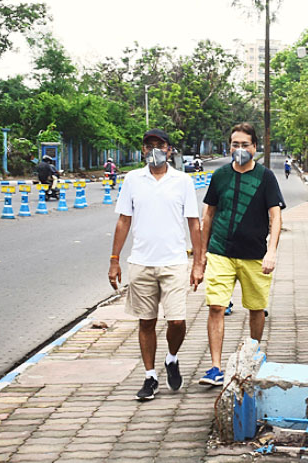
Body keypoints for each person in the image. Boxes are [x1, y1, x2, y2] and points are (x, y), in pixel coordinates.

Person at [109, 128, 203, 401]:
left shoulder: (183, 181)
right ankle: (150, 377)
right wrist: (114, 260)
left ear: (169, 149)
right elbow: (124, 220)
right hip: (141, 262)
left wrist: (198, 262)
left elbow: (193, 223)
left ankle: (171, 358)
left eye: (159, 145)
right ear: (143, 151)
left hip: (173, 262)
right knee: (146, 322)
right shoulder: (132, 180)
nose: (154, 150)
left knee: (177, 321)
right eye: (148, 146)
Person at [195, 123, 285, 386]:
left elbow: (275, 216)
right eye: (235, 144)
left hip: (254, 255)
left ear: (255, 148)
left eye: (245, 145)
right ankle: (214, 367)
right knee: (216, 306)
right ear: (230, 146)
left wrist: (272, 252)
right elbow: (208, 214)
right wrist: (200, 256)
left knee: (256, 308)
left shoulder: (265, 177)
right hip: (221, 251)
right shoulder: (220, 175)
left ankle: (252, 357)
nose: (240, 149)